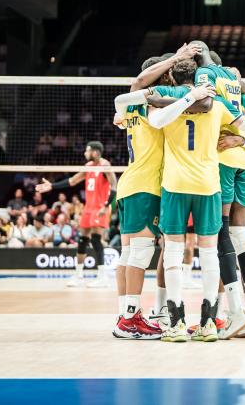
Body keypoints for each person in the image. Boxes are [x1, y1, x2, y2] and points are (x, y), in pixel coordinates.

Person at [146, 58, 245, 342]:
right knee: (209, 253)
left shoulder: (166, 97)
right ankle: (209, 323)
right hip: (208, 184)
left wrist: (187, 98)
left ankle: (175, 323)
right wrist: (240, 139)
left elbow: (156, 120)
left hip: (175, 184)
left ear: (172, 76)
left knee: (174, 252)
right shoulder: (219, 104)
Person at [109, 53, 198, 340]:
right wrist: (177, 60)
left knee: (130, 254)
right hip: (145, 185)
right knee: (142, 253)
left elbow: (123, 113)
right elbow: (138, 84)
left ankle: (126, 314)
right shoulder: (145, 99)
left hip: (131, 184)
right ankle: (130, 319)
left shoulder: (131, 108)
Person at [191, 44, 245, 335]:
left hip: (224, 163)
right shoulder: (239, 96)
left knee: (222, 232)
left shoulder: (210, 87)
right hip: (244, 165)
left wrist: (237, 140)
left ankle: (238, 311)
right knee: (240, 236)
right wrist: (243, 139)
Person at [36, 142, 117, 288]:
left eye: (88, 151)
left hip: (100, 207)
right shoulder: (88, 167)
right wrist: (52, 186)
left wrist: (106, 206)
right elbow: (72, 181)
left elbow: (115, 187)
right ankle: (79, 275)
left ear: (96, 152)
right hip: (88, 207)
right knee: (82, 240)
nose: (85, 153)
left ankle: (102, 276)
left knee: (96, 240)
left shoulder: (105, 165)